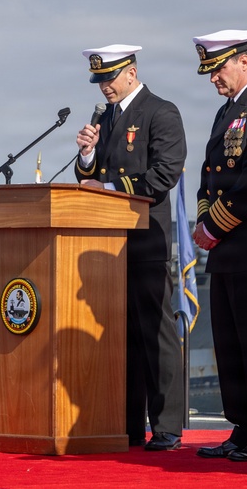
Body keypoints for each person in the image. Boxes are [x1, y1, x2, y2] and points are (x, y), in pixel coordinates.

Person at [75, 44, 187, 451]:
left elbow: (163, 176)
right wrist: (86, 153)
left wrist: (106, 187)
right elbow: (91, 174)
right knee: (121, 338)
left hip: (145, 239)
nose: (104, 86)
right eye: (100, 80)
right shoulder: (105, 118)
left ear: (131, 73)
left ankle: (167, 425)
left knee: (155, 334)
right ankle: (127, 424)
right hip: (109, 245)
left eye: (109, 78)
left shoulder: (160, 112)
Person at [188, 30, 247, 462]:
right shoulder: (225, 113)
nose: (213, 78)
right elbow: (209, 177)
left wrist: (214, 225)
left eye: (218, 69)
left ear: (244, 62)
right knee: (230, 345)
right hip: (223, 248)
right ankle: (243, 427)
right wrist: (203, 221)